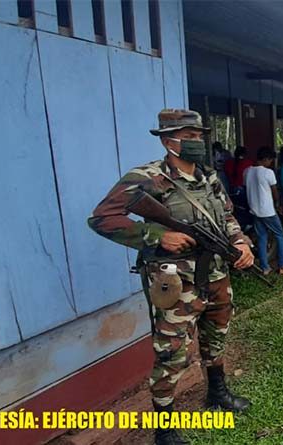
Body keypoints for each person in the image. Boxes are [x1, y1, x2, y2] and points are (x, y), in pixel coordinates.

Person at [88, 109, 255, 445]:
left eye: (198, 136)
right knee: (172, 352)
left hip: (216, 274)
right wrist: (156, 236)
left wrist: (240, 242)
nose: (196, 142)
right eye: (187, 136)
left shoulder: (208, 176)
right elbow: (102, 218)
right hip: (176, 283)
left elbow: (227, 216)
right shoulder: (146, 177)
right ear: (168, 141)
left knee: (216, 336)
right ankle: (164, 430)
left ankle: (218, 394)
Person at [246, 146, 283, 275]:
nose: (271, 163)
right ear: (266, 159)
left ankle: (265, 267)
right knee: (280, 235)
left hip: (254, 210)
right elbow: (274, 192)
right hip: (267, 211)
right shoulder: (268, 173)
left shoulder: (247, 171)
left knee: (262, 237)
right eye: (271, 160)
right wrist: (278, 204)